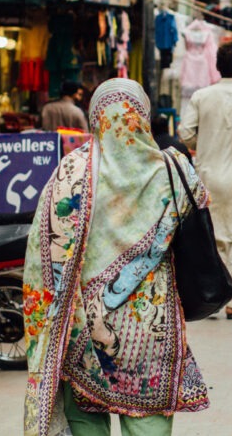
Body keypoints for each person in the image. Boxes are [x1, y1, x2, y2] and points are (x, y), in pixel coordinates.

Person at [23, 79, 210, 436]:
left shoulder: (70, 171)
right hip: (151, 331)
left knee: (85, 420)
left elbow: (42, 248)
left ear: (95, 118)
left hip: (83, 328)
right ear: (143, 115)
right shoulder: (172, 169)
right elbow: (199, 207)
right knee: (147, 421)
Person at [178, 42, 232, 320]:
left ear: (217, 66)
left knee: (210, 238)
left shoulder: (202, 97)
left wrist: (203, 144)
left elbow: (186, 133)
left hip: (207, 178)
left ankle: (212, 298)